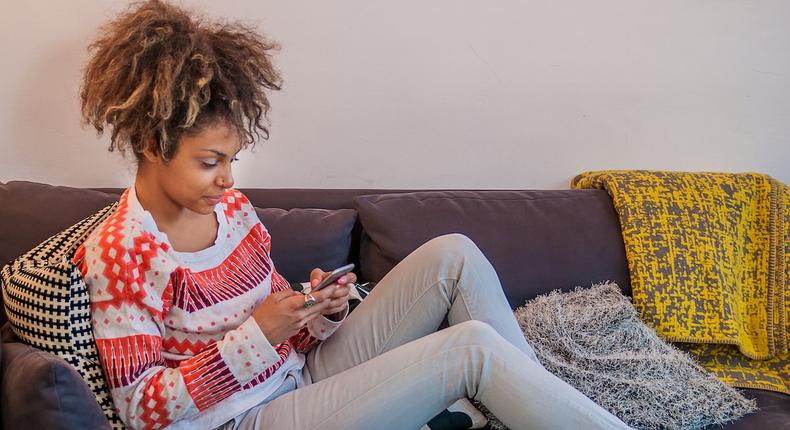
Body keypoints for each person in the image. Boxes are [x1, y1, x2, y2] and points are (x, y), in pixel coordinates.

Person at [76, 1, 632, 429]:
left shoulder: (235, 212)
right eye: (209, 162)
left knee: (453, 254)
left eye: (232, 160)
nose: (228, 179)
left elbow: (285, 320)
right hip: (242, 418)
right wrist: (259, 334)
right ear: (152, 142)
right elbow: (140, 409)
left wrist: (320, 309)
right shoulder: (121, 253)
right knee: (473, 349)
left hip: (298, 375)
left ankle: (544, 405)